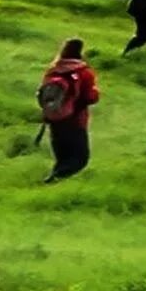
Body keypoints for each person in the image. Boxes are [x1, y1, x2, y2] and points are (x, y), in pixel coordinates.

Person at [38, 38, 100, 184]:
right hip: (75, 121)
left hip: (55, 121)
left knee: (62, 158)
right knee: (79, 159)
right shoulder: (84, 72)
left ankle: (53, 182)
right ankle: (54, 180)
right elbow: (91, 97)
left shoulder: (52, 71)